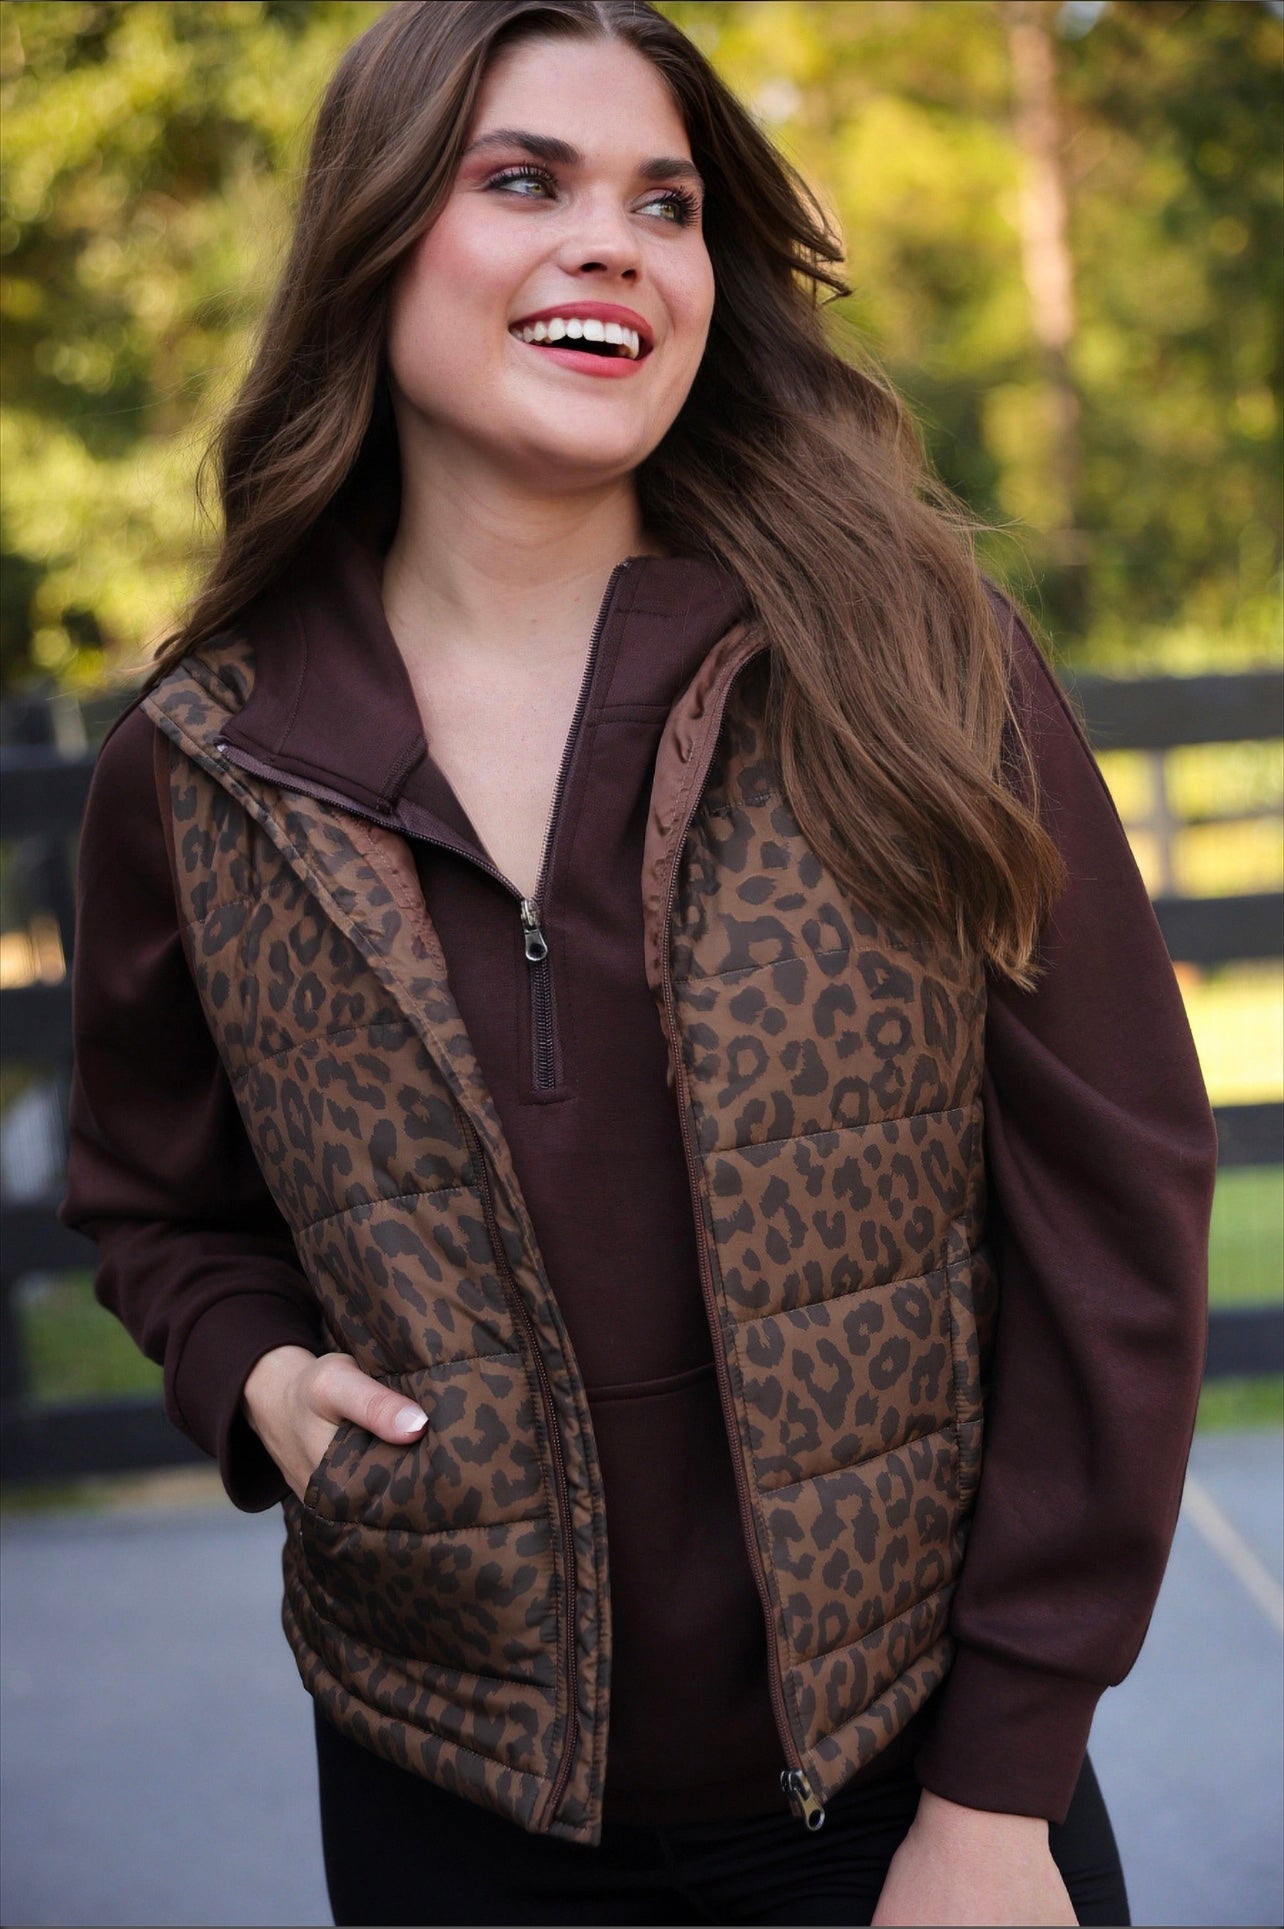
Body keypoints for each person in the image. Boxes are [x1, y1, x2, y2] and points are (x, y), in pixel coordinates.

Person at [62, 2, 1216, 1923]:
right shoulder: (200, 765)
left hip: (914, 1809)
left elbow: (1123, 1207)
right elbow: (151, 1196)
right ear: (374, 235)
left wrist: (998, 1791)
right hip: (447, 1808)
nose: (614, 243)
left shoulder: (912, 665)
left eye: (666, 204)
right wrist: (252, 1370)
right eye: (525, 182)